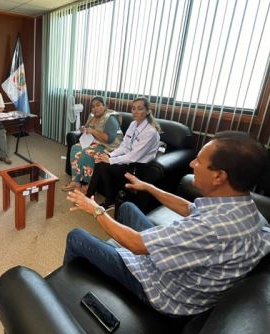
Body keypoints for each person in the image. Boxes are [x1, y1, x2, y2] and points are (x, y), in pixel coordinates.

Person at [65, 131, 270, 316]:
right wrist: (149, 187)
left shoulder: (212, 228)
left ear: (219, 176)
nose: (192, 165)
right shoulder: (247, 210)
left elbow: (136, 244)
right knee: (127, 208)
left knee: (77, 236)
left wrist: (95, 209)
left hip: (162, 291)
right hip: (176, 267)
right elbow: (190, 208)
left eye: (198, 161)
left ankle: (63, 298)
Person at [86, 96, 161, 208]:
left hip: (140, 167)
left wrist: (110, 160)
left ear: (147, 111)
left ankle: (90, 197)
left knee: (103, 165)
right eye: (133, 108)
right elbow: (124, 147)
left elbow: (133, 157)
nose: (135, 111)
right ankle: (99, 197)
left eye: (139, 108)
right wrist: (109, 155)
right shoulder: (133, 124)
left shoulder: (150, 131)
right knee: (101, 161)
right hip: (128, 160)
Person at [62, 96, 123, 193]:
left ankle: (88, 185)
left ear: (104, 106)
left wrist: (93, 131)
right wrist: (83, 128)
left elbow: (109, 139)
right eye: (93, 106)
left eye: (98, 105)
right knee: (75, 148)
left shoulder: (111, 117)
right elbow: (87, 127)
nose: (95, 108)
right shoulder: (92, 116)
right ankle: (76, 181)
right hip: (94, 142)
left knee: (87, 153)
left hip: (109, 146)